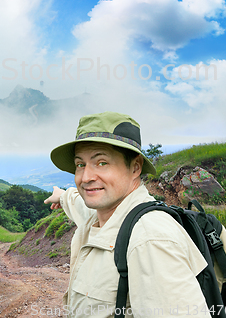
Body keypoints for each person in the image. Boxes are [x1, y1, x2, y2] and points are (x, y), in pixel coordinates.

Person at [44, 111, 211, 318]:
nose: (85, 177)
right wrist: (61, 196)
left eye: (102, 163)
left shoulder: (150, 239)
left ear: (135, 167)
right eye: (80, 165)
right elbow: (78, 203)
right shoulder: (100, 215)